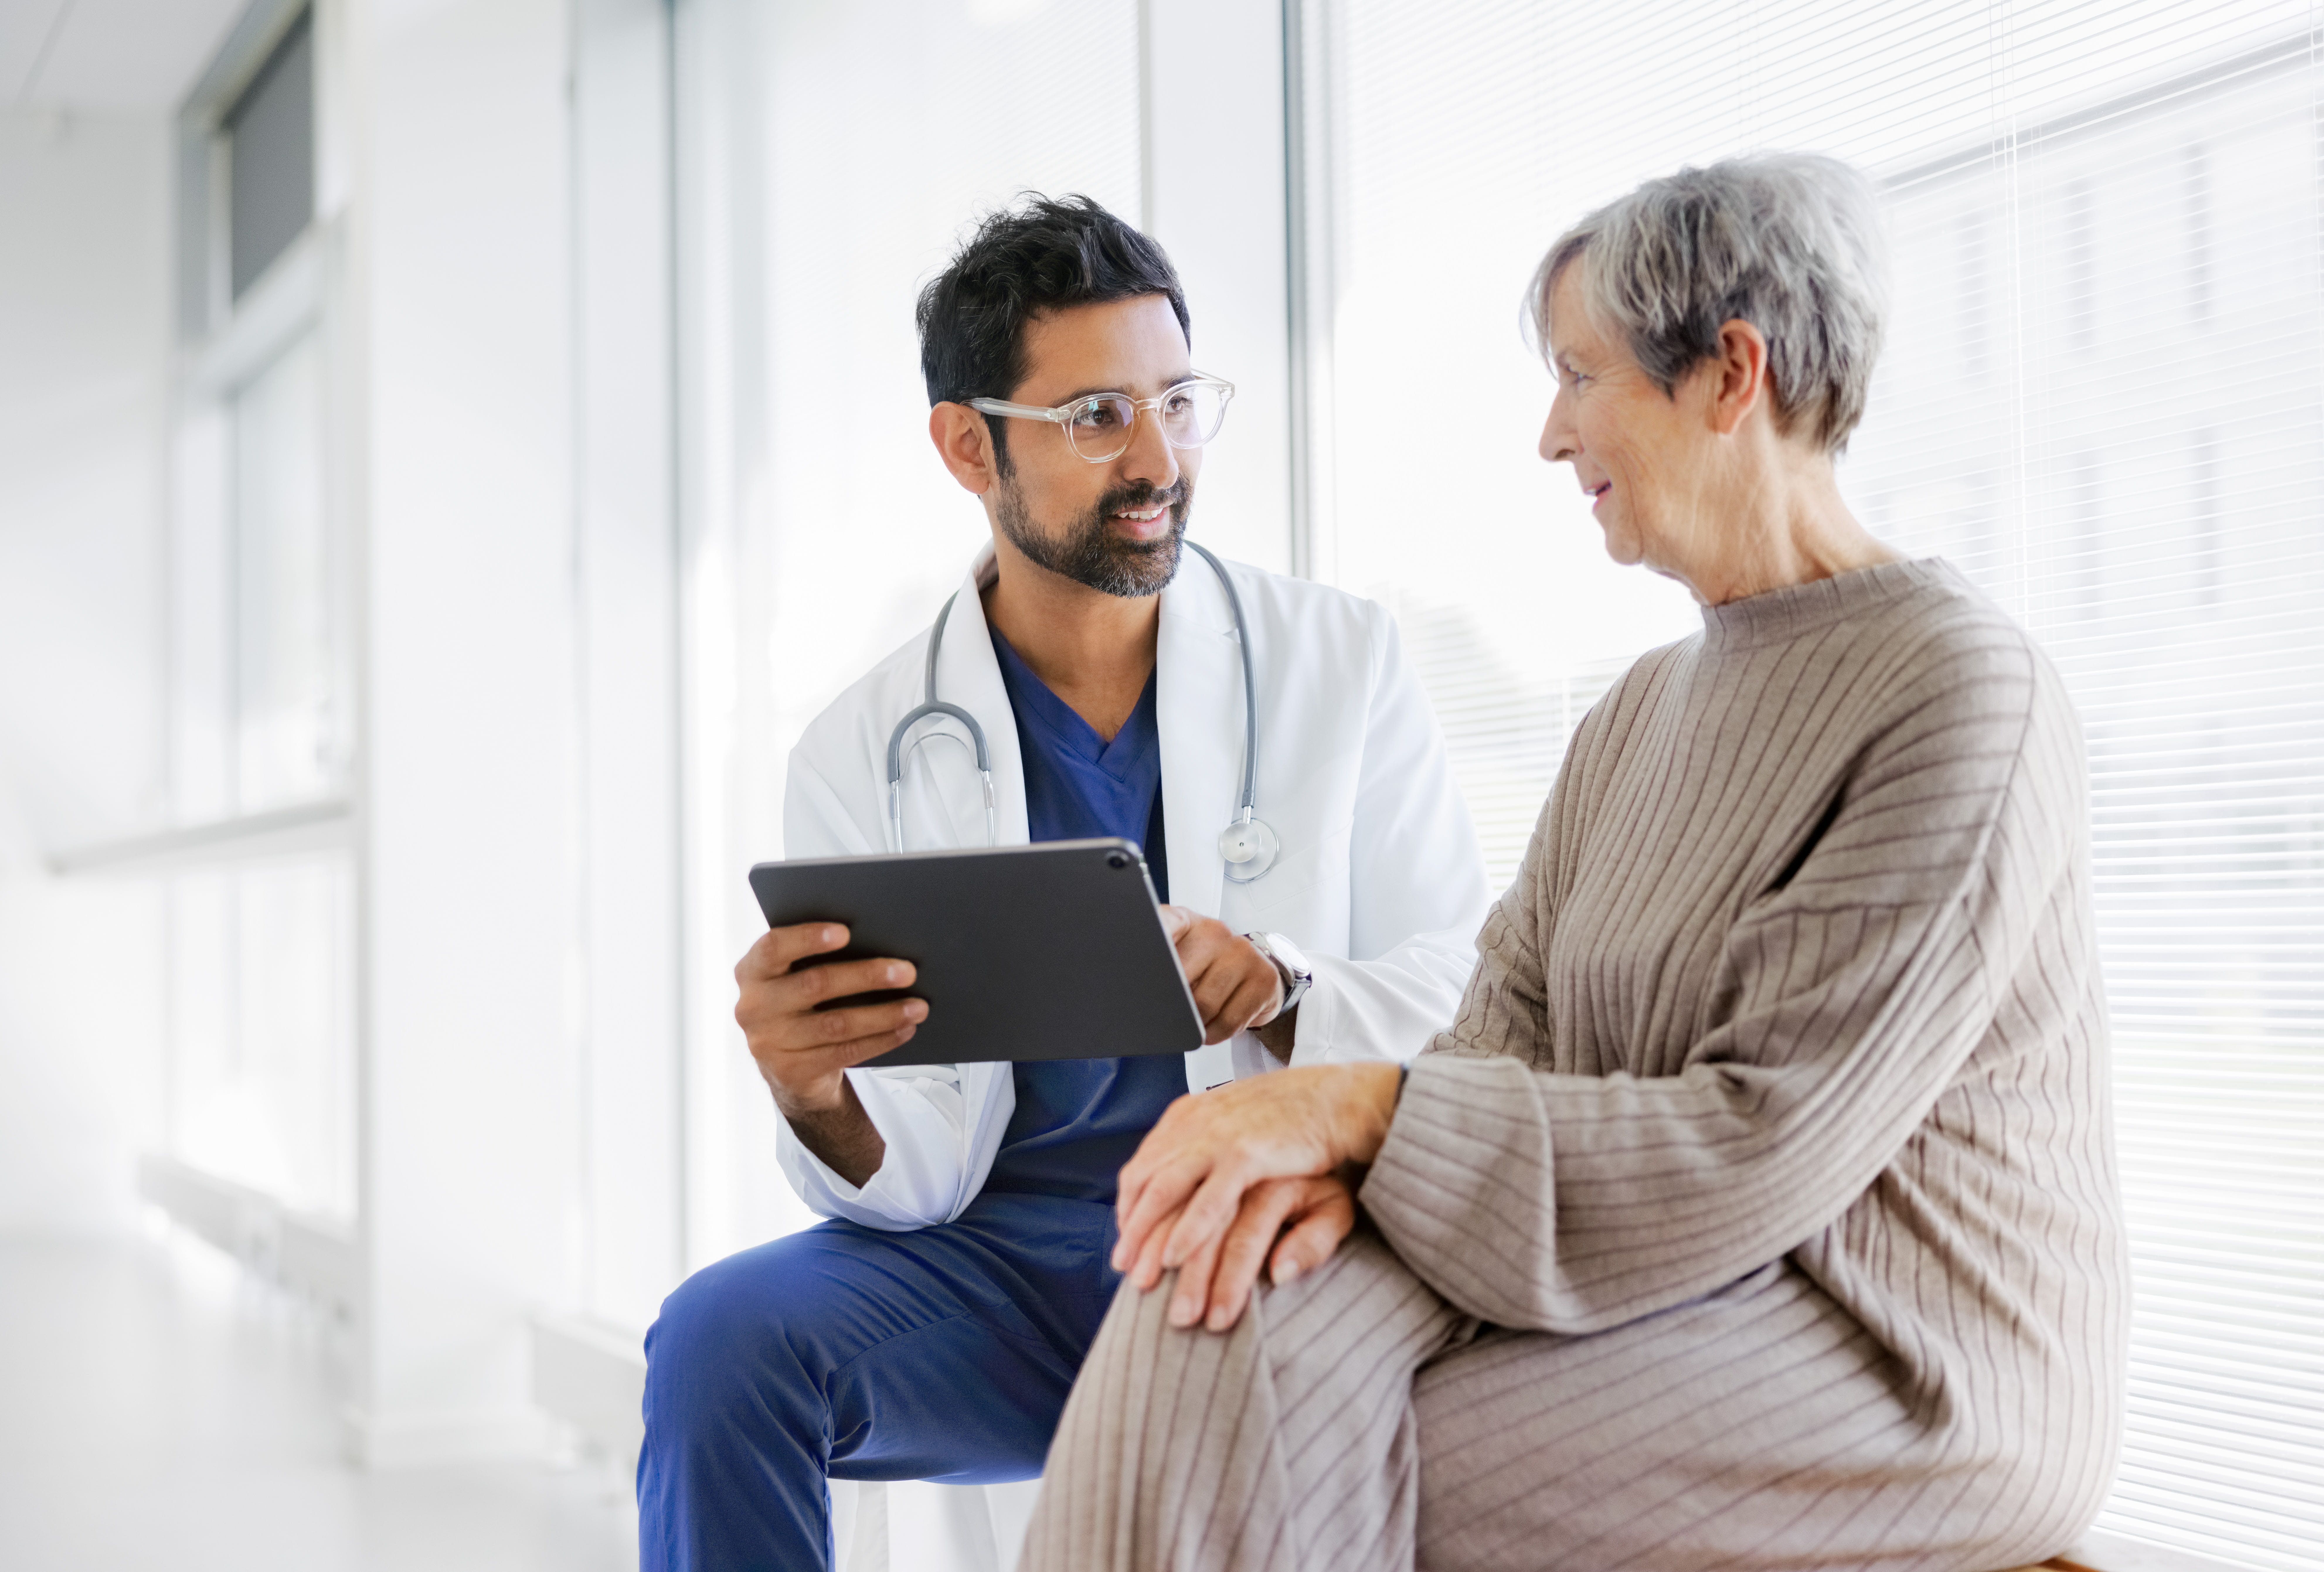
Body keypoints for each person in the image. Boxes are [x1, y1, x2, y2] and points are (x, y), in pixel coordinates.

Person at [1018, 155, 2131, 1572]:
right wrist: (1340, 1164)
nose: (1552, 434)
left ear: (1732, 374)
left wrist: (1361, 1119)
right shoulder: (1637, 717)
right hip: (1649, 1276)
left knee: (1304, 1455)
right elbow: (1505, 1034)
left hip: (1898, 1352)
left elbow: (1761, 1139)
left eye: (1581, 374)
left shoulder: (1961, 693)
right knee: (1209, 1302)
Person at [634, 195, 1490, 1571]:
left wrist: (1286, 983)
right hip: (999, 1275)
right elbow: (905, 1176)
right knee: (720, 1347)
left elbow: (1470, 989)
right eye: (1096, 416)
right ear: (970, 446)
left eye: (1179, 400)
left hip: (1259, 1234)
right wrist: (813, 1093)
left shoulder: (1343, 662)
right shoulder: (863, 749)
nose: (1158, 455)